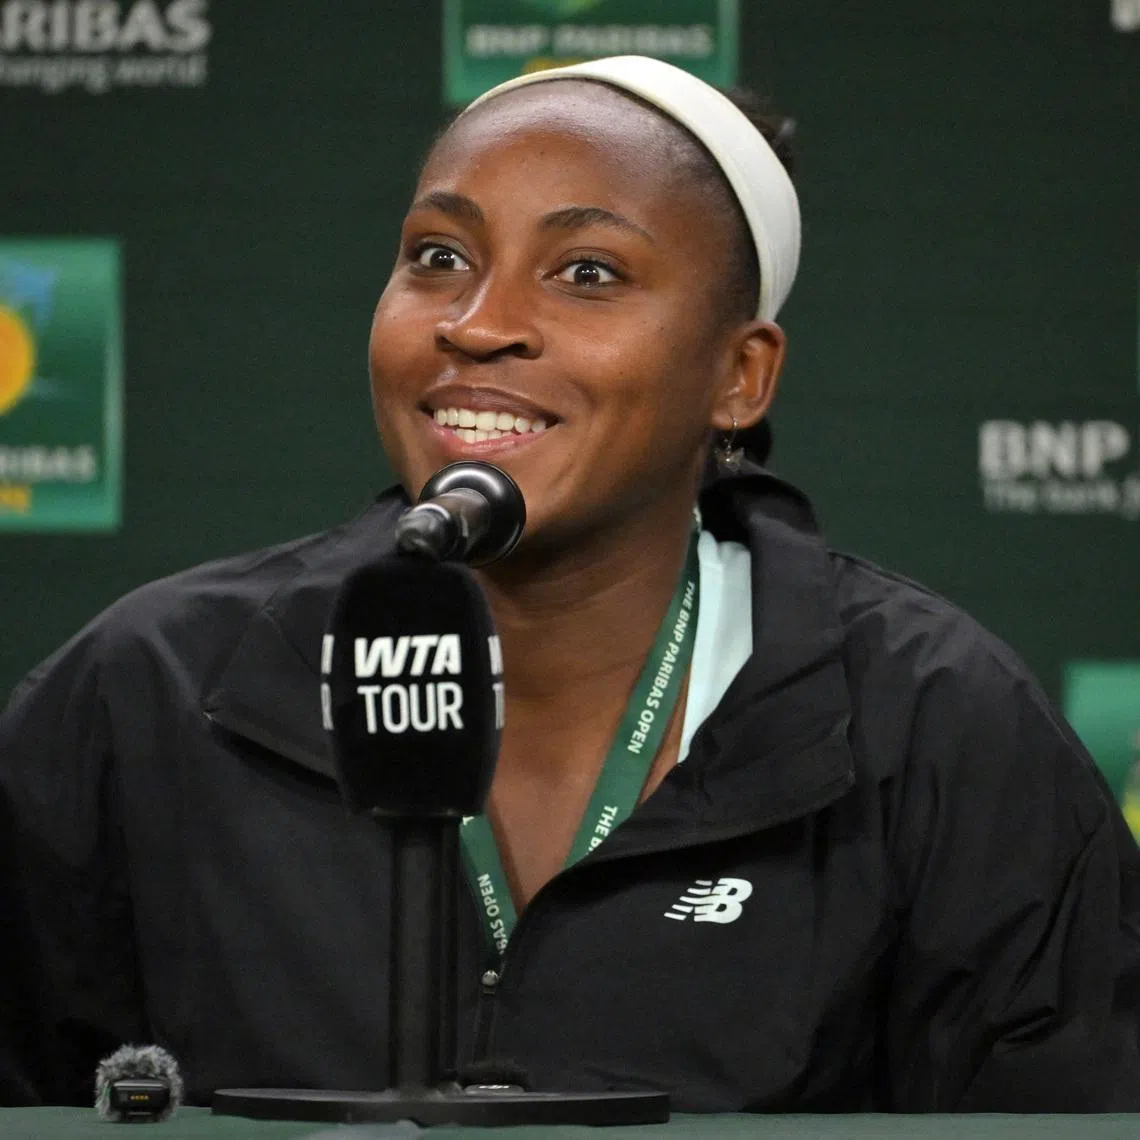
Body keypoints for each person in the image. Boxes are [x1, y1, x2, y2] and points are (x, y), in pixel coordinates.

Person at [2, 55, 1139, 1114]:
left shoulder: (937, 727)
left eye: (587, 273)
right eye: (437, 257)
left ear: (739, 376)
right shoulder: (146, 693)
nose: (478, 323)